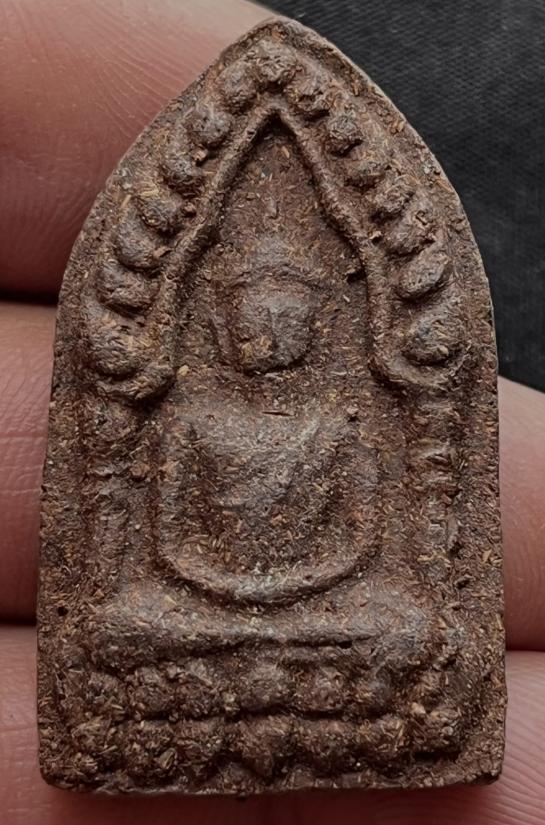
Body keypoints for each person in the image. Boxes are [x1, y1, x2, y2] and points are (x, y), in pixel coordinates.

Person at [1, 1, 544, 822]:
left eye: (285, 316)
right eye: (250, 315)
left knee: (411, 632)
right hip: (200, 606)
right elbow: (165, 542)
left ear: (317, 323)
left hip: (326, 609)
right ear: (220, 325)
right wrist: (228, 593)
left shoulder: (343, 428)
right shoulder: (190, 423)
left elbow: (362, 543)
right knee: (115, 630)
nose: (267, 332)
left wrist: (288, 593)